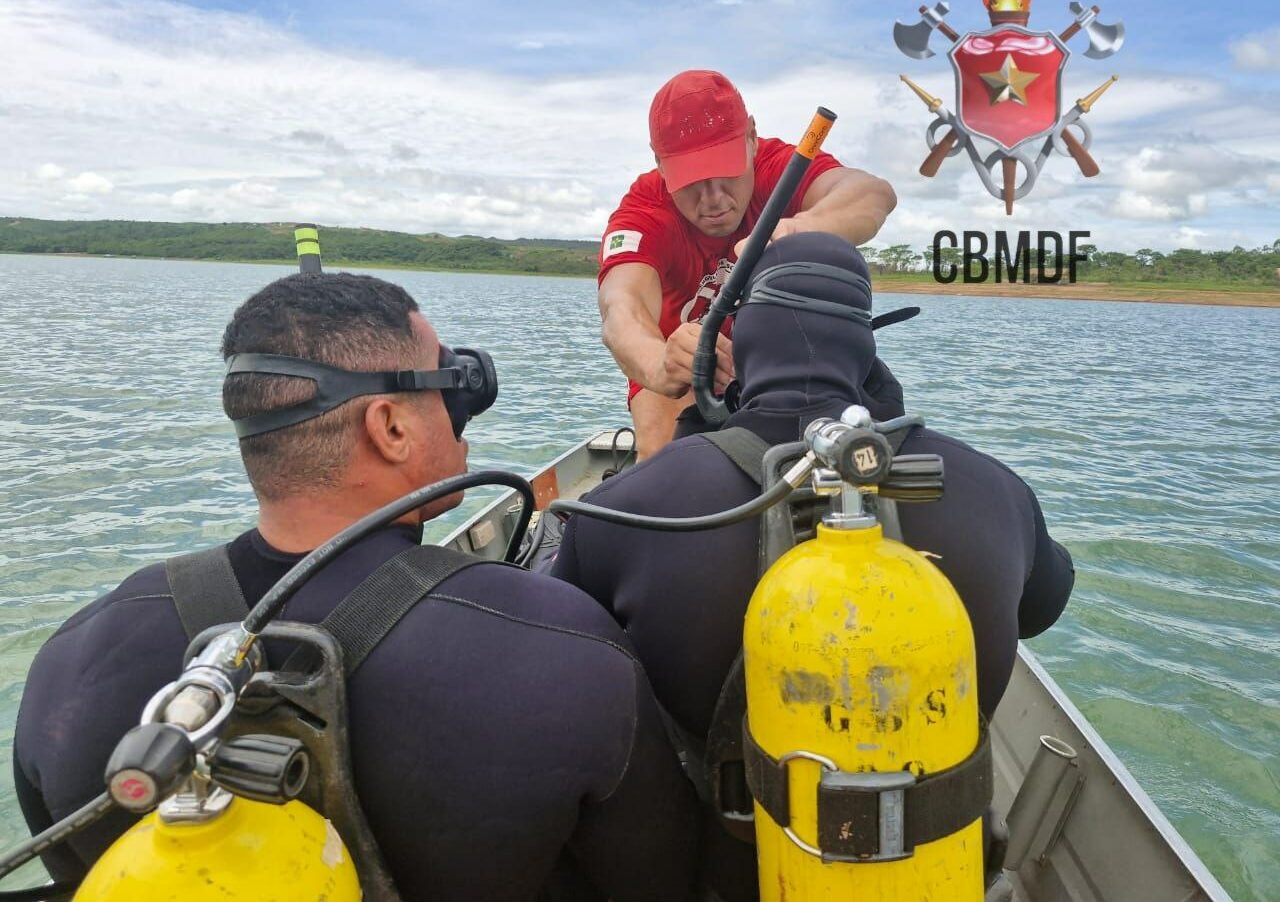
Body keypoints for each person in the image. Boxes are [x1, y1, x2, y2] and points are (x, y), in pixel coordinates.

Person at [14, 273, 700, 901]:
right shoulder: (566, 650)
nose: (460, 411)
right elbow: (660, 880)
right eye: (446, 385)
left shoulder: (72, 662)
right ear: (392, 427)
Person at [556, 230, 1075, 758]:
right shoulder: (1000, 492)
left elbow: (554, 642)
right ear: (867, 355)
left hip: (714, 835)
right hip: (946, 837)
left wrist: (694, 436)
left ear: (742, 343)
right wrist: (890, 423)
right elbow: (1041, 609)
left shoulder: (624, 507)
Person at [598, 69, 898, 459]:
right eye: (691, 181)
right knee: (661, 457)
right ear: (659, 163)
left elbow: (873, 193)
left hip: (781, 356)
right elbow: (621, 310)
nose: (713, 198)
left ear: (752, 138)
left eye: (726, 172)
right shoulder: (644, 211)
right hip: (683, 361)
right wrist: (660, 365)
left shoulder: (780, 169)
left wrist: (797, 230)